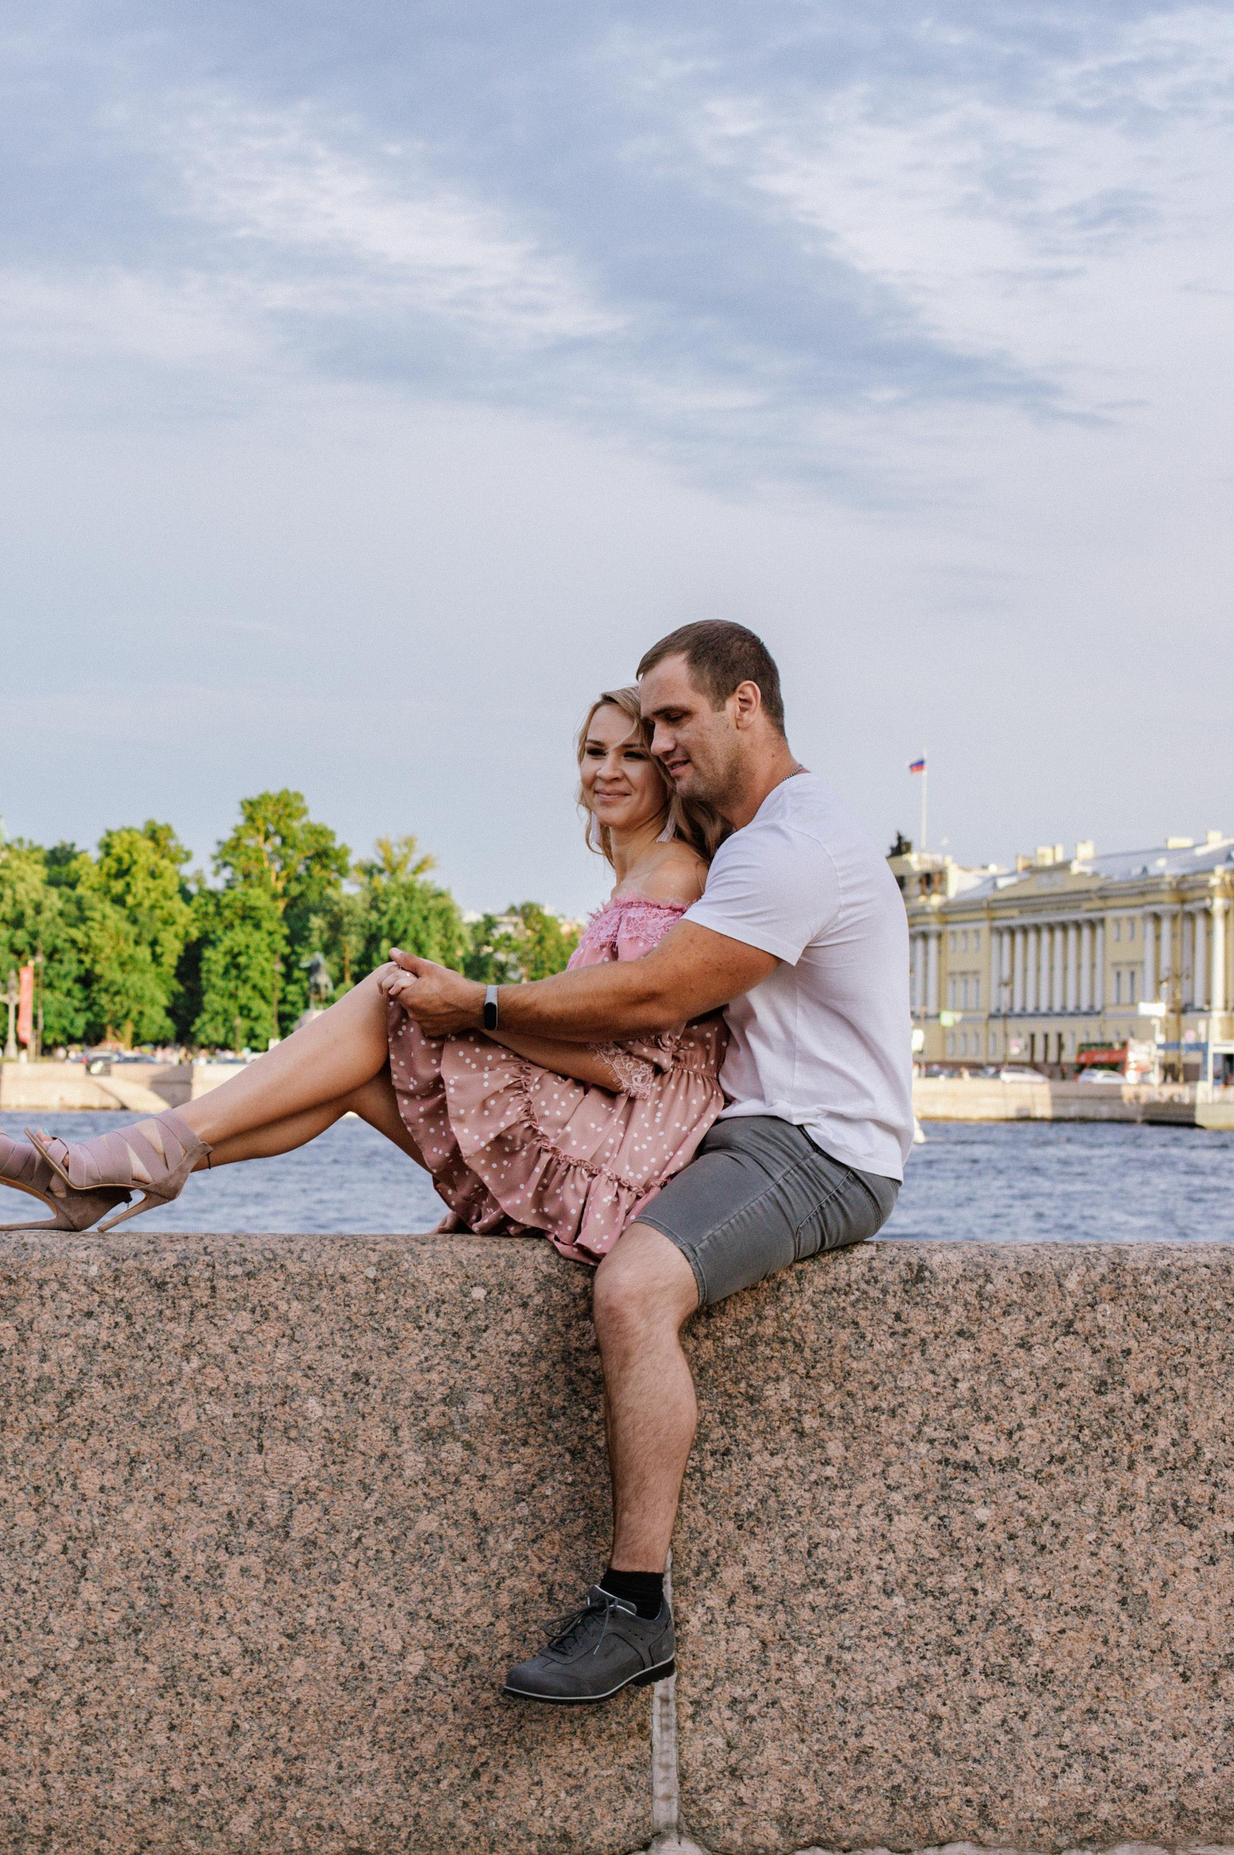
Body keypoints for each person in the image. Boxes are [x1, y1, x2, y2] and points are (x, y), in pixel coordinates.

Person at [382, 619, 912, 1704]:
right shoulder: (746, 834)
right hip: (740, 1129)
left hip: (821, 1145)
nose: (657, 743)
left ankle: (635, 1608)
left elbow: (656, 992)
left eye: (673, 719)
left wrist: (483, 1005)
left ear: (745, 705)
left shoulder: (791, 845)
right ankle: (158, 1155)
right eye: (646, 723)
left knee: (633, 1289)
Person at [0, 682, 735, 1268]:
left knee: (387, 995)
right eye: (595, 752)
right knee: (353, 1076)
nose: (607, 771)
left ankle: (123, 1160)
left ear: (665, 772)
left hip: (621, 1158)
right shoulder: (634, 877)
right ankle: (115, 1174)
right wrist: (473, 1010)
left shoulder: (671, 872)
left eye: (632, 755)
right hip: (602, 1135)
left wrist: (476, 1011)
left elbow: (629, 1064)